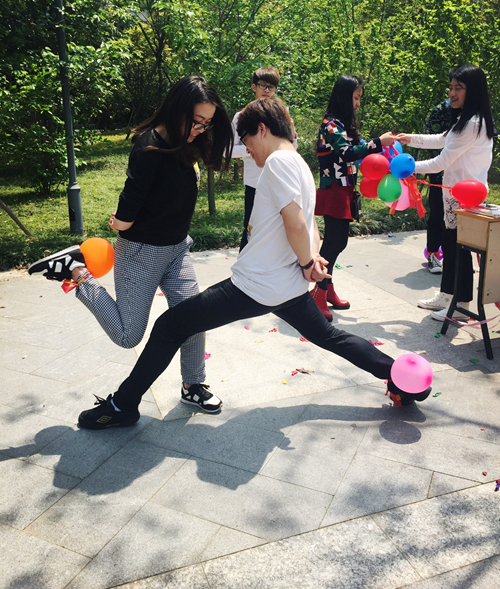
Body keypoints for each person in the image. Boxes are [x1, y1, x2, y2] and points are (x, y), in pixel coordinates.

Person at [77, 98, 431, 430]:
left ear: (262, 129)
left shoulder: (277, 162)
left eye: (247, 141)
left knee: (170, 326)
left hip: (257, 285)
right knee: (331, 337)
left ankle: (123, 405)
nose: (248, 151)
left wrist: (308, 260)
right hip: (285, 286)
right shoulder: (299, 163)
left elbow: (296, 224)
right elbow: (308, 223)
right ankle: (400, 378)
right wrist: (312, 257)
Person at [28, 75, 234, 413]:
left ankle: (193, 384)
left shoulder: (189, 142)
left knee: (194, 318)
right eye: (197, 121)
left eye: (207, 123)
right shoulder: (149, 147)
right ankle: (76, 271)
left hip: (177, 249)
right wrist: (119, 222)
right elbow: (128, 208)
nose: (200, 129)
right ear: (177, 109)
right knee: (128, 336)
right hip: (141, 252)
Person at [398, 64, 494, 321]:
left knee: (458, 249)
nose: (452, 93)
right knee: (450, 246)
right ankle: (447, 294)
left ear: (472, 91)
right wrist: (410, 138)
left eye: (458, 88)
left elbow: (441, 162)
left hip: (466, 198)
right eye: (450, 87)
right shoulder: (465, 119)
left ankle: (460, 303)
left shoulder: (473, 123)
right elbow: (441, 139)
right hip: (454, 194)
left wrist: (408, 168)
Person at [311, 75, 395, 320]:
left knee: (337, 242)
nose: (358, 103)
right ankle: (318, 292)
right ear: (344, 97)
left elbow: (357, 153)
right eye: (356, 98)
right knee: (334, 243)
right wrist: (378, 142)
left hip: (344, 188)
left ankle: (326, 289)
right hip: (334, 189)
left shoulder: (342, 124)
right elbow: (347, 154)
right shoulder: (331, 125)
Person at [231, 67, 297, 250]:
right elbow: (227, 150)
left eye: (271, 87)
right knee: (251, 230)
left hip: (279, 180)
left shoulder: (282, 115)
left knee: (278, 230)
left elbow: (292, 149)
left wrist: (292, 132)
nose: (267, 90)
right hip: (255, 183)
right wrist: (253, 149)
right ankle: (244, 265)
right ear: (254, 87)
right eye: (263, 85)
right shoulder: (241, 116)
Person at [422, 98, 452, 275]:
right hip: (440, 172)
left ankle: (456, 258)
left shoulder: (476, 114)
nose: (453, 93)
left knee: (462, 219)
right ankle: (433, 254)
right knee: (438, 214)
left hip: (464, 177)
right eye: (452, 88)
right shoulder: (442, 108)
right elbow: (432, 139)